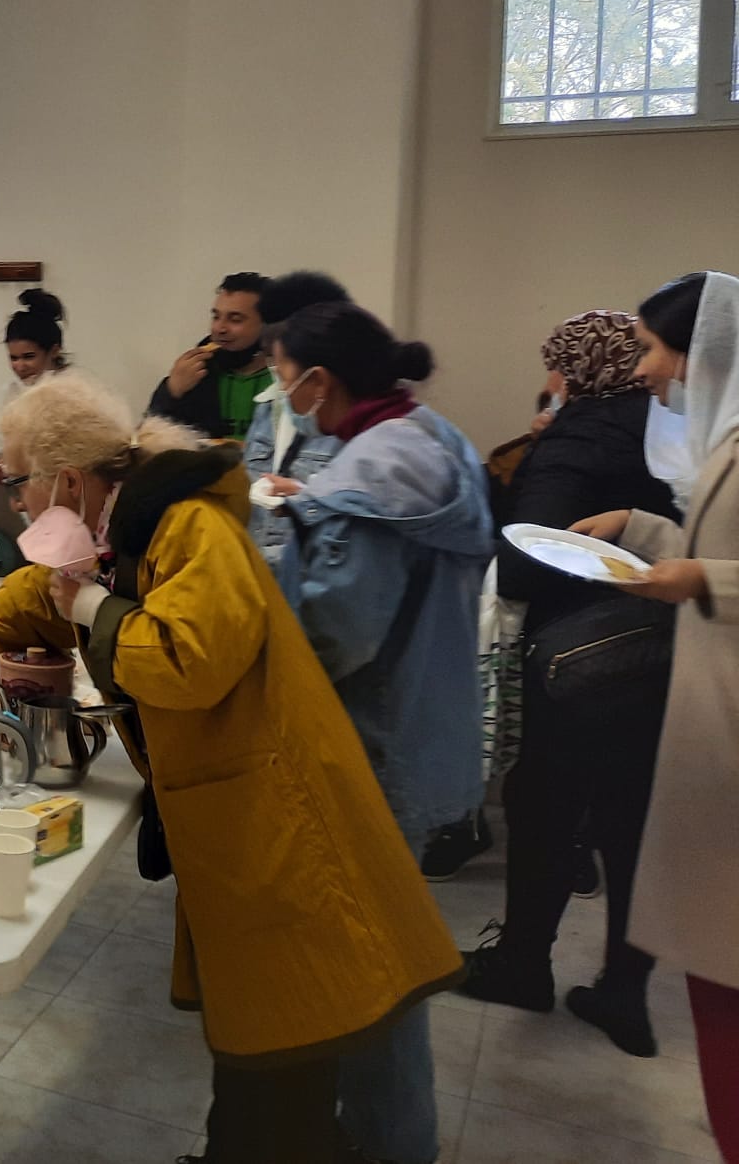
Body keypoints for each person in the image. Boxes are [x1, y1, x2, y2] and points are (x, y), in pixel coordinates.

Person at [0, 372, 459, 1164]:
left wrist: (92, 611)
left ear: (68, 480)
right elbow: (24, 599)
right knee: (264, 1053)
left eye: (18, 482)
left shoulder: (189, 525)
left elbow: (188, 660)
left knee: (286, 1052)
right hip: (247, 818)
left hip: (277, 819)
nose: (16, 501)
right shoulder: (120, 534)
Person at [270, 303, 492, 1164]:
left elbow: (338, 632)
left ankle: (388, 1143)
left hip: (376, 742)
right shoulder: (431, 437)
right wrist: (320, 509)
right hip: (431, 723)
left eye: (282, 378)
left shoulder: (369, 472)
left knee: (372, 967)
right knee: (388, 947)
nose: (280, 396)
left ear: (317, 381)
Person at [462, 310, 679, 1056]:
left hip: (581, 659)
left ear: (579, 370)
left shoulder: (579, 435)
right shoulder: (675, 430)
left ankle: (521, 964)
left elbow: (528, 564)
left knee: (544, 810)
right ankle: (625, 991)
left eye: (555, 364)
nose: (549, 380)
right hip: (662, 652)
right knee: (630, 823)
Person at [570, 272, 739, 1154]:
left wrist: (699, 576)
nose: (641, 369)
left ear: (699, 351)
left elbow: (719, 567)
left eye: (651, 348)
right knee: (716, 966)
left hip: (730, 722)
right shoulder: (725, 441)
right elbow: (716, 548)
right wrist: (639, 527)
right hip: (711, 711)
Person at [242, 271, 349, 569]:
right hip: (262, 572)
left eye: (283, 362)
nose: (277, 373)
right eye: (271, 359)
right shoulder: (268, 406)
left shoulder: (367, 429)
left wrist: (308, 497)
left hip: (315, 576)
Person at [148, 271, 273, 442]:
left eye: (235, 319)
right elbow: (151, 437)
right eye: (216, 317)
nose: (219, 328)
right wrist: (171, 391)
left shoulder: (291, 377)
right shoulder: (197, 372)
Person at [0, 287, 69, 487]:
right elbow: (3, 448)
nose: (20, 366)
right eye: (13, 358)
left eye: (29, 357)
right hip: (25, 488)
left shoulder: (72, 392)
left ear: (54, 351)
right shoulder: (11, 392)